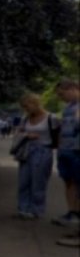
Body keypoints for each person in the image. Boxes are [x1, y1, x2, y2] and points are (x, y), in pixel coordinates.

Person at [14, 93, 58, 220]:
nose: (26, 109)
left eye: (27, 106)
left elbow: (56, 136)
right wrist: (26, 135)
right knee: (23, 181)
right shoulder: (25, 119)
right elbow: (19, 132)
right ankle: (23, 209)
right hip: (27, 151)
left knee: (38, 182)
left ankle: (36, 210)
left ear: (35, 104)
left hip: (43, 152)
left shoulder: (51, 118)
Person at [52, 78, 80, 246]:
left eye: (63, 94)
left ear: (73, 88)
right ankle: (73, 212)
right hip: (67, 150)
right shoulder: (69, 107)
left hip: (77, 151)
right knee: (69, 182)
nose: (62, 98)